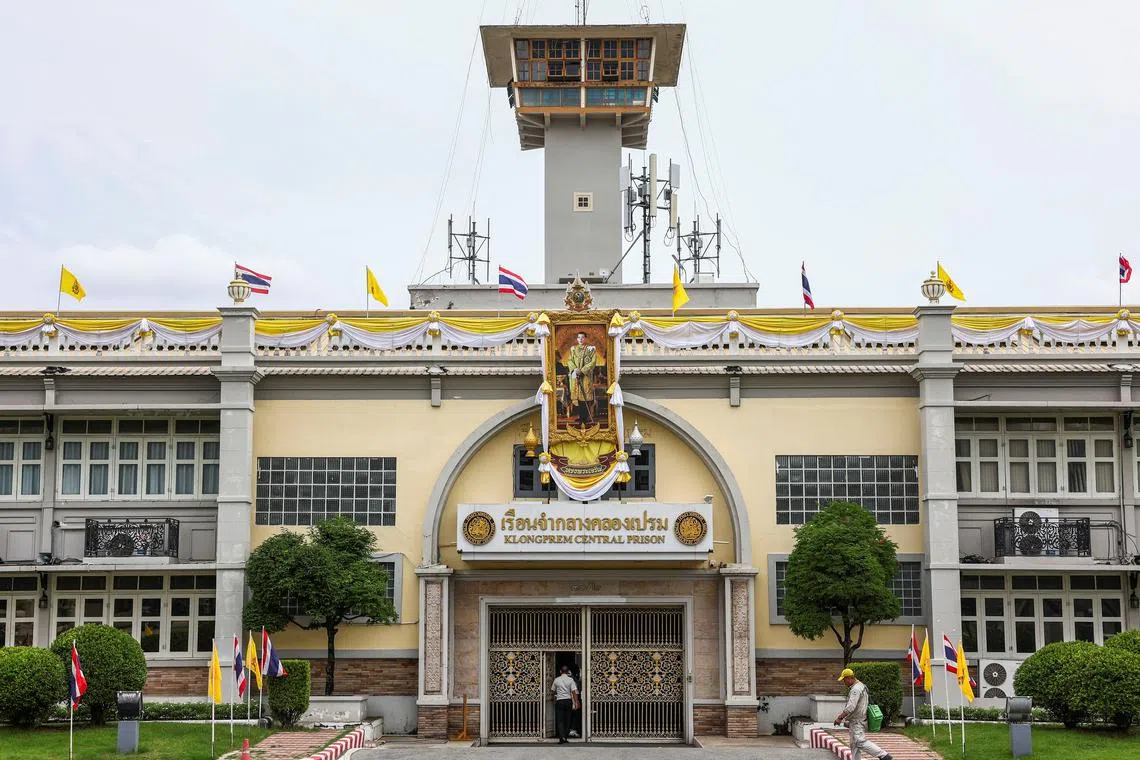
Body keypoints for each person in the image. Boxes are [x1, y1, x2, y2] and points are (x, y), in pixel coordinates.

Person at [834, 668, 892, 760]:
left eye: (844, 680)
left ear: (849, 678)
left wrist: (840, 718)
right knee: (854, 745)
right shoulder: (861, 685)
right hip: (857, 719)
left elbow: (851, 707)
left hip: (857, 720)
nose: (844, 682)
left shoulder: (855, 689)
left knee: (860, 742)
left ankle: (883, 755)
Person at [566, 332, 597, 424]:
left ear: (585, 339)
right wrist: (575, 369)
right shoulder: (573, 350)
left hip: (586, 377)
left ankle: (585, 417)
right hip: (576, 376)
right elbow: (569, 361)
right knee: (578, 398)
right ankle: (580, 417)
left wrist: (582, 370)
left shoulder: (590, 349)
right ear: (577, 339)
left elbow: (593, 362)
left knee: (585, 397)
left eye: (582, 337)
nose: (580, 339)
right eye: (579, 337)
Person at [551, 664, 579, 744]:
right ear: (567, 672)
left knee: (560, 720)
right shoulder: (571, 680)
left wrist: (556, 695)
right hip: (568, 701)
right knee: (567, 720)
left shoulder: (556, 680)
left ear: (560, 671)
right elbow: (574, 692)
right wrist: (576, 702)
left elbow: (553, 690)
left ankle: (561, 737)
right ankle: (565, 737)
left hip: (560, 701)